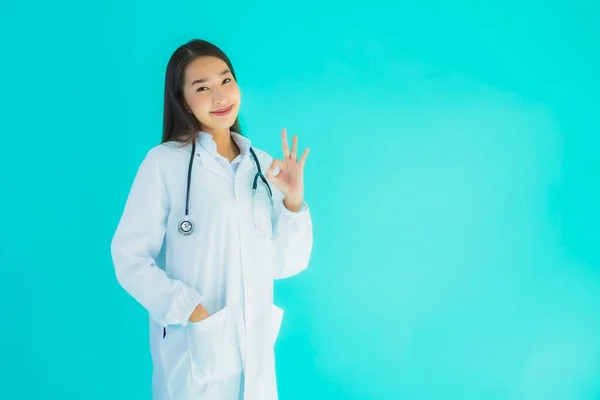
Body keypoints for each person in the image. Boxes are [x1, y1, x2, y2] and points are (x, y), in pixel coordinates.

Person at [110, 38, 313, 400]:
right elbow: (128, 256)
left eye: (226, 81)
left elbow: (285, 265)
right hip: (195, 350)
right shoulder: (165, 163)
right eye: (202, 88)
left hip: (254, 353)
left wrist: (293, 203)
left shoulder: (263, 165)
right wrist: (188, 308)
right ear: (182, 100)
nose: (220, 97)